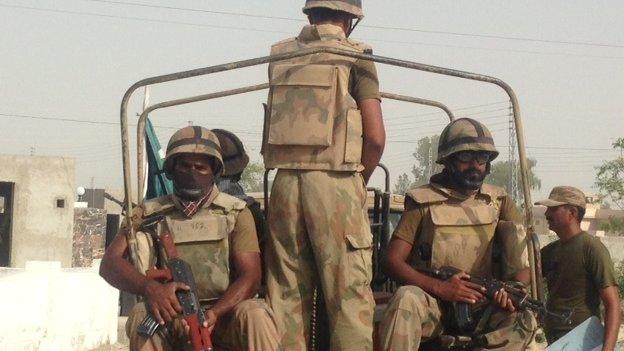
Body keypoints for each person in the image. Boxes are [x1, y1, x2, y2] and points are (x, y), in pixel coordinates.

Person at [261, 0, 385, 349]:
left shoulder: (281, 55)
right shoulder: (357, 56)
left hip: (284, 184)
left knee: (285, 296)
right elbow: (375, 138)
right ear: (350, 18)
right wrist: (357, 182)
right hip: (336, 181)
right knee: (349, 298)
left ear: (310, 14)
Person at [100, 126, 278, 351]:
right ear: (172, 169)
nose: (192, 172)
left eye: (200, 167)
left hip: (222, 316)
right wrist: (150, 289)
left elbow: (251, 276)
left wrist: (213, 314)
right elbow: (110, 263)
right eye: (184, 165)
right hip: (169, 314)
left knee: (255, 313)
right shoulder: (147, 214)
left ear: (214, 171)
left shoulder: (235, 213)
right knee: (140, 314)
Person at [379, 118, 545, 350]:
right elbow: (391, 261)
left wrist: (510, 289)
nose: (475, 166)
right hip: (434, 304)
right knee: (406, 299)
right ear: (448, 161)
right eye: (465, 157)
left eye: (482, 158)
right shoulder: (422, 202)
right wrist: (440, 289)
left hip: (483, 305)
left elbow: (525, 262)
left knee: (524, 320)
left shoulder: (500, 202)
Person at [538, 186, 621, 349]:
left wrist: (608, 348)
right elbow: (523, 279)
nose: (546, 214)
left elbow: (613, 304)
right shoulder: (550, 251)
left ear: (572, 213)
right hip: (556, 340)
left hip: (581, 341)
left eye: (553, 209)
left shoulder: (592, 249)